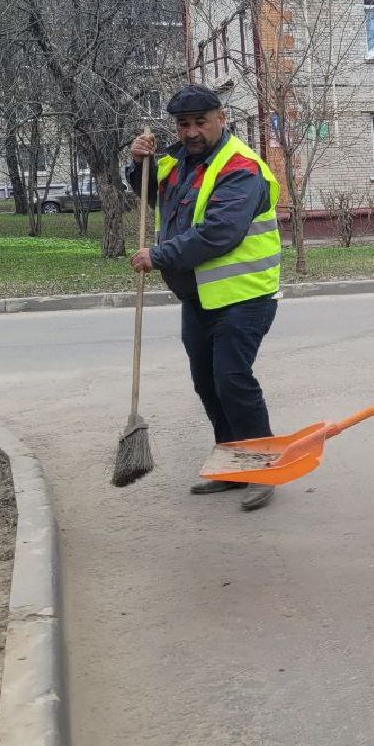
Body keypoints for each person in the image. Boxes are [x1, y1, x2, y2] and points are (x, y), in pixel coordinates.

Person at [127, 85, 282, 512]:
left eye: (200, 122)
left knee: (232, 379)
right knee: (207, 382)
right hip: (199, 296)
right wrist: (138, 163)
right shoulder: (176, 162)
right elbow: (152, 195)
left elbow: (218, 233)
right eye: (183, 124)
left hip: (245, 295)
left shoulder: (240, 168)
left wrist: (157, 255)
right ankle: (233, 464)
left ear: (221, 118)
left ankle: (263, 468)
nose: (192, 132)